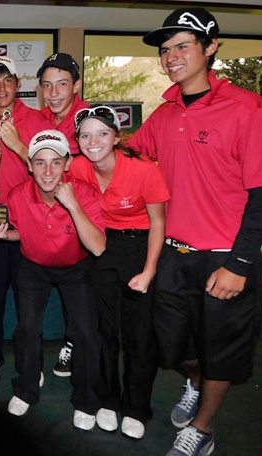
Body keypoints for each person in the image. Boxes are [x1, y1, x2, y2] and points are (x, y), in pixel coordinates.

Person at [128, 7, 262, 455]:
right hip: (174, 256)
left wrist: (240, 263)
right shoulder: (165, 112)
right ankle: (194, 381)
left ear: (210, 47)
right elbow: (128, 151)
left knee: (222, 353)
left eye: (182, 46)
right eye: (165, 50)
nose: (170, 57)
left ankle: (203, 427)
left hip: (224, 257)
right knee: (174, 347)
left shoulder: (248, 108)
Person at [0, 129, 105, 429]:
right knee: (27, 327)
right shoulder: (18, 195)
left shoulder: (85, 193)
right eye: (40, 163)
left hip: (76, 266)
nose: (48, 171)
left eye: (56, 162)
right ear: (29, 166)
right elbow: (21, 231)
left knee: (85, 331)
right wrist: (5, 235)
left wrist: (72, 204)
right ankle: (26, 388)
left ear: (68, 164)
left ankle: (86, 400)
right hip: (34, 265)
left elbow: (97, 247)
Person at [69, 105, 169, 439]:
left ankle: (136, 407)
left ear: (116, 137)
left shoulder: (144, 172)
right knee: (104, 331)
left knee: (139, 334)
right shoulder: (79, 167)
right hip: (101, 247)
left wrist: (149, 271)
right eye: (85, 135)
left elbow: (158, 223)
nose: (93, 141)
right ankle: (108, 400)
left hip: (139, 246)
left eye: (101, 133)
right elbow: (45, 165)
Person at [0, 55, 52, 381]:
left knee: (27, 298)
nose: (2, 88)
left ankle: (30, 362)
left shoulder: (37, 120)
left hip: (28, 218)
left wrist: (16, 144)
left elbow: (48, 171)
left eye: (7, 80)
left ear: (19, 85)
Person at [37, 52, 91, 377]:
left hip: (85, 220)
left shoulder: (89, 121)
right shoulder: (40, 118)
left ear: (76, 85)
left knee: (83, 302)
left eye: (61, 84)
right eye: (47, 85)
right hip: (50, 221)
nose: (54, 93)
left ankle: (76, 347)